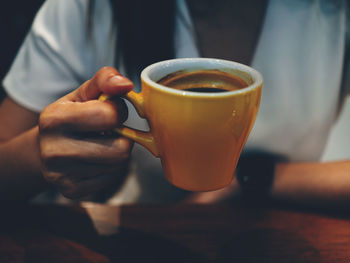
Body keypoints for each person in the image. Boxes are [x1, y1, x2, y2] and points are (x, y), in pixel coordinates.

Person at [0, 0, 349, 209]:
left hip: (283, 238)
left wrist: (248, 181)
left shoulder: (334, 13)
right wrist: (39, 154)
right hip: (142, 234)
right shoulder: (89, 9)